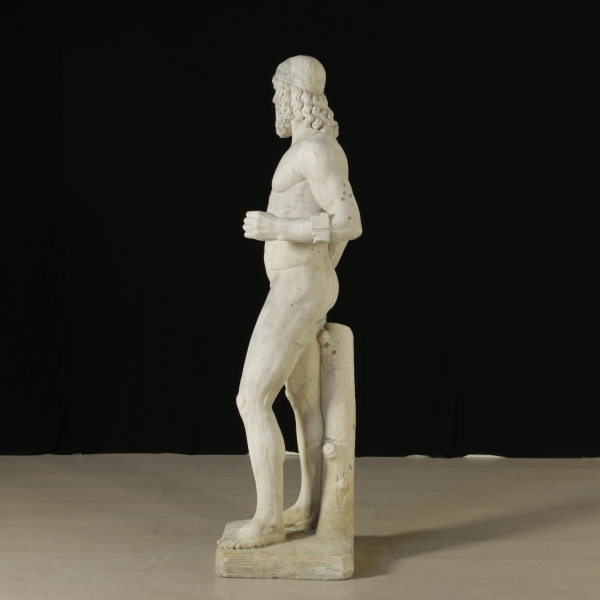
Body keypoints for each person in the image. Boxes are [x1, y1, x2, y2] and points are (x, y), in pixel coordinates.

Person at [217, 56, 362, 550]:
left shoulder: (315, 152)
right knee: (303, 401)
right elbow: (334, 232)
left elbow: (349, 222)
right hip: (305, 283)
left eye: (277, 92)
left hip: (298, 287)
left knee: (252, 398)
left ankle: (267, 521)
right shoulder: (315, 149)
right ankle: (311, 506)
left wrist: (278, 229)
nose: (274, 101)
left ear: (293, 94)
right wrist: (323, 272)